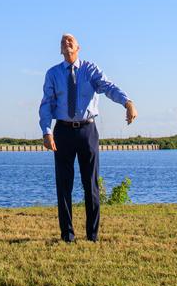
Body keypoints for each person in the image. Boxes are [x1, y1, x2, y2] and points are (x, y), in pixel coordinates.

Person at [39, 33, 137, 243]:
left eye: (70, 41)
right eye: (62, 42)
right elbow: (46, 103)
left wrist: (127, 102)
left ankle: (92, 235)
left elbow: (108, 87)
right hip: (62, 131)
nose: (66, 43)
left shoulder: (90, 70)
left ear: (78, 47)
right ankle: (67, 235)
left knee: (90, 184)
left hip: (87, 131)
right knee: (64, 184)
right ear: (60, 50)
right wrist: (46, 131)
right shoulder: (53, 74)